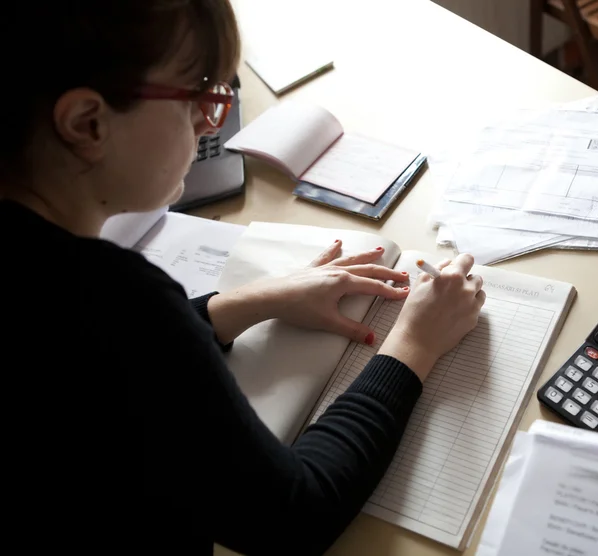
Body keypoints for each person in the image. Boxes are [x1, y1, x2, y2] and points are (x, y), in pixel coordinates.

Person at [0, 1, 485, 554]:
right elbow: (294, 514)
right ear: (87, 122)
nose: (213, 124)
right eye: (198, 100)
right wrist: (414, 343)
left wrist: (247, 301)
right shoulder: (111, 299)